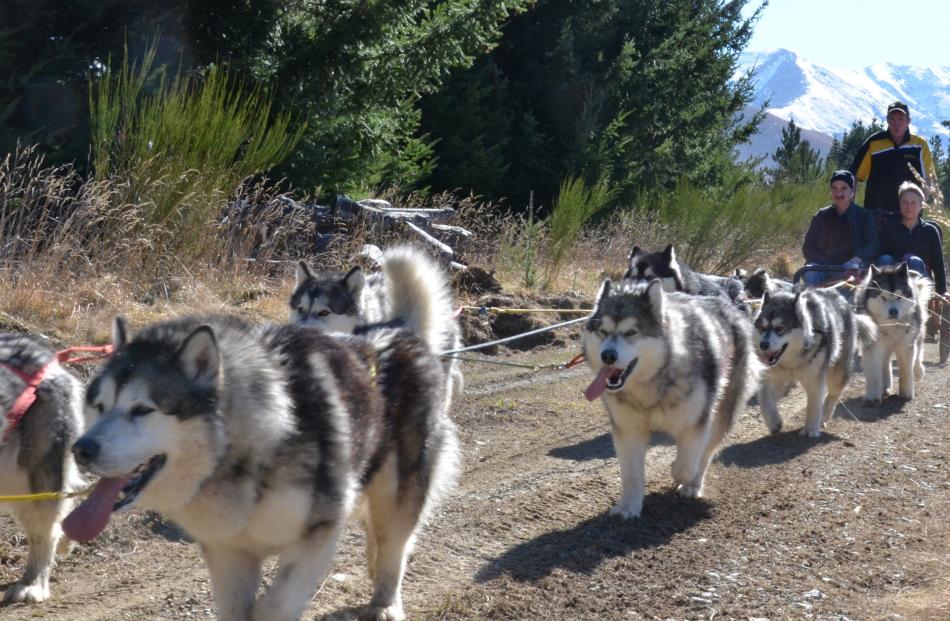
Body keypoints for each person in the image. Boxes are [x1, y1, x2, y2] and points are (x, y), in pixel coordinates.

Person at [850, 101, 937, 215]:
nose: (896, 123)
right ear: (887, 120)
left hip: (908, 218)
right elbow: (854, 175)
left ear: (908, 121)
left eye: (901, 119)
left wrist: (919, 206)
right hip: (876, 215)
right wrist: (850, 208)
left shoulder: (919, 145)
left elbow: (929, 179)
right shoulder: (874, 143)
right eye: (893, 119)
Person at [801, 170, 879, 287]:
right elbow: (808, 247)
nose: (839, 193)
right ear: (830, 191)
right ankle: (809, 303)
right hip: (823, 268)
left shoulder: (864, 216)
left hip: (854, 269)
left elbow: (873, 245)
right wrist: (826, 265)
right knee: (811, 272)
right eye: (835, 189)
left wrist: (856, 260)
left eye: (844, 188)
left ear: (852, 191)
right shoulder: (821, 216)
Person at [876, 181, 947, 295]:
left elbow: (938, 264)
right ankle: (884, 297)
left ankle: (915, 304)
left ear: (921, 205)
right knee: (885, 259)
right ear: (900, 204)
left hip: (919, 281)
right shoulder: (889, 228)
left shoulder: (930, 231)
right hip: (893, 278)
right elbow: (880, 255)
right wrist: (902, 261)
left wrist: (942, 291)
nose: (909, 206)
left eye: (913, 202)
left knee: (915, 261)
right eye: (905, 202)